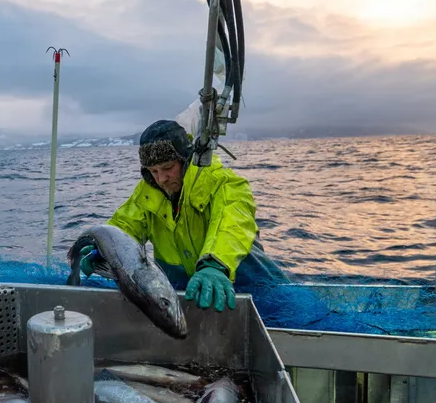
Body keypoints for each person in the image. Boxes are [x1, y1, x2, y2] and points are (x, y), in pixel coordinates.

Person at [79, 119, 287, 312]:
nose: (161, 179)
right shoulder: (145, 195)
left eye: (168, 168)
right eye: (153, 171)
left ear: (185, 160)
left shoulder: (224, 183)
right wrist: (107, 249)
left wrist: (216, 264)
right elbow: (125, 225)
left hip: (255, 289)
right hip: (186, 294)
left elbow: (233, 224)